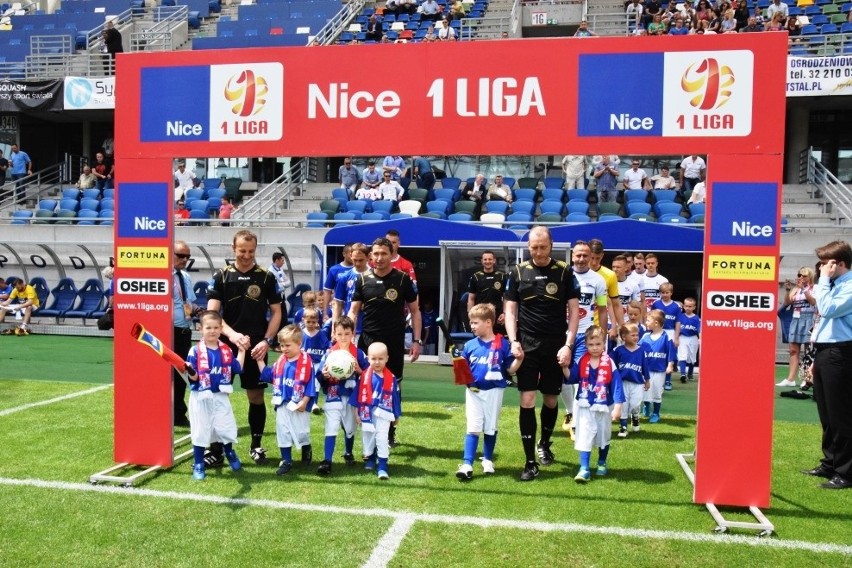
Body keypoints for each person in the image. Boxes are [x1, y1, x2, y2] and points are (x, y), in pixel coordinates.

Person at [504, 226, 580, 481]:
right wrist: (514, 341)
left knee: (549, 399)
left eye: (543, 247)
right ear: (528, 247)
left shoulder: (564, 272)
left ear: (551, 245)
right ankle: (529, 462)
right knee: (526, 400)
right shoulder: (516, 272)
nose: (538, 252)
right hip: (526, 346)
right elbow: (511, 312)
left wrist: (568, 345)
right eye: (534, 247)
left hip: (555, 345)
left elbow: (573, 314)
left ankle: (545, 443)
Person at [206, 230, 282, 467]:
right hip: (225, 345)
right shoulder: (221, 276)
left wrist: (266, 341)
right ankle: (216, 450)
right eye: (242, 251)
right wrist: (232, 335)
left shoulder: (267, 277)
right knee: (217, 396)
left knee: (256, 396)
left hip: (256, 346)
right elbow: (212, 313)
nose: (247, 255)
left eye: (251, 251)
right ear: (233, 248)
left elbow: (277, 312)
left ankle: (256, 445)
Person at [348, 237, 421, 449]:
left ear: (391, 255)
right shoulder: (362, 280)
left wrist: (416, 341)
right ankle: (366, 428)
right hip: (367, 343)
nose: (379, 258)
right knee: (365, 384)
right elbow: (353, 312)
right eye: (376, 254)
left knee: (393, 386)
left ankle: (389, 432)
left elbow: (415, 311)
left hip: (394, 343)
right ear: (371, 256)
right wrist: (349, 341)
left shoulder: (402, 280)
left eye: (384, 254)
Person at [805, 241, 852, 489]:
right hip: (827, 351)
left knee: (841, 414)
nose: (821, 268)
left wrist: (822, 281)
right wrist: (815, 358)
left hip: (842, 351)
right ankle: (831, 463)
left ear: (839, 263)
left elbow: (827, 309)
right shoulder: (834, 286)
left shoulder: (848, 286)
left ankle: (846, 472)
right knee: (827, 413)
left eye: (825, 263)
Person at [455, 303, 521, 481]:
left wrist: (520, 359)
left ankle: (488, 460)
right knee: (473, 426)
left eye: (476, 323)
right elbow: (462, 373)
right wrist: (458, 360)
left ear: (489, 322)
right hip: (474, 392)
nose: (472, 326)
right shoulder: (469, 345)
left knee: (490, 426)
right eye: (471, 322)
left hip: (494, 391)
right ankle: (467, 463)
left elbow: (511, 369)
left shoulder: (503, 343)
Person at [185, 311, 246, 480]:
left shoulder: (225, 350)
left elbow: (238, 368)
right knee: (200, 430)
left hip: (220, 396)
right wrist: (190, 370)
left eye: (215, 327)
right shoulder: (194, 351)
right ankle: (199, 463)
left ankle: (230, 452)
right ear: (200, 328)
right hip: (200, 396)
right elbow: (195, 377)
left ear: (221, 329)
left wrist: (241, 351)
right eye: (208, 327)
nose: (212, 331)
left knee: (225, 427)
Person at [563, 326, 624, 482]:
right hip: (585, 404)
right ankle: (584, 468)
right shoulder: (582, 360)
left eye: (598, 344)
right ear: (586, 345)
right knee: (584, 435)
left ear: (603, 344)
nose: (595, 348)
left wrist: (618, 407)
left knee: (604, 435)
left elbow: (617, 385)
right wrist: (565, 367)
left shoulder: (609, 362)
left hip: (604, 405)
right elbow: (572, 378)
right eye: (591, 345)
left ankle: (602, 462)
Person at [258, 325, 317, 475]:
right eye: (282, 345)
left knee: (301, 432)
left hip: (298, 403)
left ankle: (306, 447)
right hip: (282, 403)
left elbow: (311, 384)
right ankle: (286, 461)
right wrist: (259, 361)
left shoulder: (306, 362)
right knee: (283, 432)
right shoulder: (280, 362)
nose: (284, 348)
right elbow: (270, 375)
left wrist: (304, 402)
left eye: (288, 345)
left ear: (299, 344)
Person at [316, 316, 368, 474]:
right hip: (333, 394)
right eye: (339, 334)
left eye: (347, 334)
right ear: (334, 334)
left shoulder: (359, 354)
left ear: (353, 334)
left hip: (352, 397)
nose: (343, 337)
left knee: (350, 428)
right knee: (331, 427)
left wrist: (360, 371)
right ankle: (327, 461)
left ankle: (348, 452)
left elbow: (370, 374)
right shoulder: (329, 354)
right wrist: (324, 375)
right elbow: (318, 374)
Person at [349, 342, 401, 479]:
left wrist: (396, 416)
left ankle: (383, 465)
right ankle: (371, 458)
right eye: (373, 359)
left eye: (380, 359)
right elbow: (357, 396)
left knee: (382, 438)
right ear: (368, 359)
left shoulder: (391, 378)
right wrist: (356, 413)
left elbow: (395, 398)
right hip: (367, 412)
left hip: (384, 412)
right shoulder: (364, 377)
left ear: (387, 358)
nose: (377, 362)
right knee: (368, 436)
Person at [172, 241, 200, 427]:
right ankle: (164, 412)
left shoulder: (186, 277)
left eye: (187, 256)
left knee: (182, 372)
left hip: (184, 330)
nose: (185, 259)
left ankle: (178, 414)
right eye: (181, 255)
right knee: (164, 375)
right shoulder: (160, 277)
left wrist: (199, 311)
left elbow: (189, 301)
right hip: (167, 331)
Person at [777, 267, 816, 387]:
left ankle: (807, 378)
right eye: (799, 275)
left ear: (809, 276)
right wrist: (788, 290)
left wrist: (804, 289)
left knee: (809, 351)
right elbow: (787, 303)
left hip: (809, 318)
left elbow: (813, 302)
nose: (800, 278)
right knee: (793, 350)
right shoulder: (796, 289)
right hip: (796, 319)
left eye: (803, 276)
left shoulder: (815, 288)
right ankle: (790, 379)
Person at [611, 323, 650, 437]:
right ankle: (623, 427)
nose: (635, 337)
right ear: (624, 337)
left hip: (637, 382)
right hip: (622, 382)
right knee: (623, 404)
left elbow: (645, 366)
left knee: (635, 404)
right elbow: (610, 363)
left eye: (636, 335)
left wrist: (647, 379)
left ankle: (635, 415)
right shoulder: (618, 350)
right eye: (632, 335)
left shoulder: (641, 350)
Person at [640, 309, 676, 424]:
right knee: (646, 389)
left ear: (656, 323)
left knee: (657, 391)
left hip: (660, 370)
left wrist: (670, 365)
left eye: (648, 320)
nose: (646, 322)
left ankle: (656, 413)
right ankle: (646, 405)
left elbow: (671, 353)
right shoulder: (645, 336)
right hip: (646, 370)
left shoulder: (666, 336)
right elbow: (638, 350)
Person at [332, 242, 371, 337]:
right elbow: (338, 305)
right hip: (350, 329)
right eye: (355, 260)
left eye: (360, 260)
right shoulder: (345, 276)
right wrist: (334, 330)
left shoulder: (374, 275)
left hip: (370, 328)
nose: (357, 263)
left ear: (368, 257)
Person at [467, 250, 507, 334]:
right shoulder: (475, 277)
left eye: (490, 259)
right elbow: (471, 299)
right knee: (481, 342)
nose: (487, 261)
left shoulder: (502, 276)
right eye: (485, 259)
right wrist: (471, 317)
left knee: (497, 343)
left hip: (498, 316)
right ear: (482, 261)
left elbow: (506, 297)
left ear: (494, 260)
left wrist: (505, 313)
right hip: (480, 315)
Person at [651, 282, 681, 390]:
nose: (664, 295)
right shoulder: (656, 304)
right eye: (662, 292)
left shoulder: (676, 306)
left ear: (671, 293)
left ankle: (668, 381)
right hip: (658, 331)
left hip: (670, 332)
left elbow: (678, 322)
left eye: (667, 292)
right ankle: (653, 379)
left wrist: (676, 338)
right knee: (658, 354)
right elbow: (651, 318)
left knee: (670, 356)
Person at [676, 297, 701, 383]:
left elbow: (699, 330)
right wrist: (676, 338)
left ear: (694, 307)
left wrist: (700, 339)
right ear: (683, 306)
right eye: (686, 306)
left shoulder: (697, 318)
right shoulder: (680, 317)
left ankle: (690, 373)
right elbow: (677, 328)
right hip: (682, 337)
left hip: (693, 337)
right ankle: (683, 374)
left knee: (692, 357)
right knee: (682, 355)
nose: (688, 308)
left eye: (690, 306)